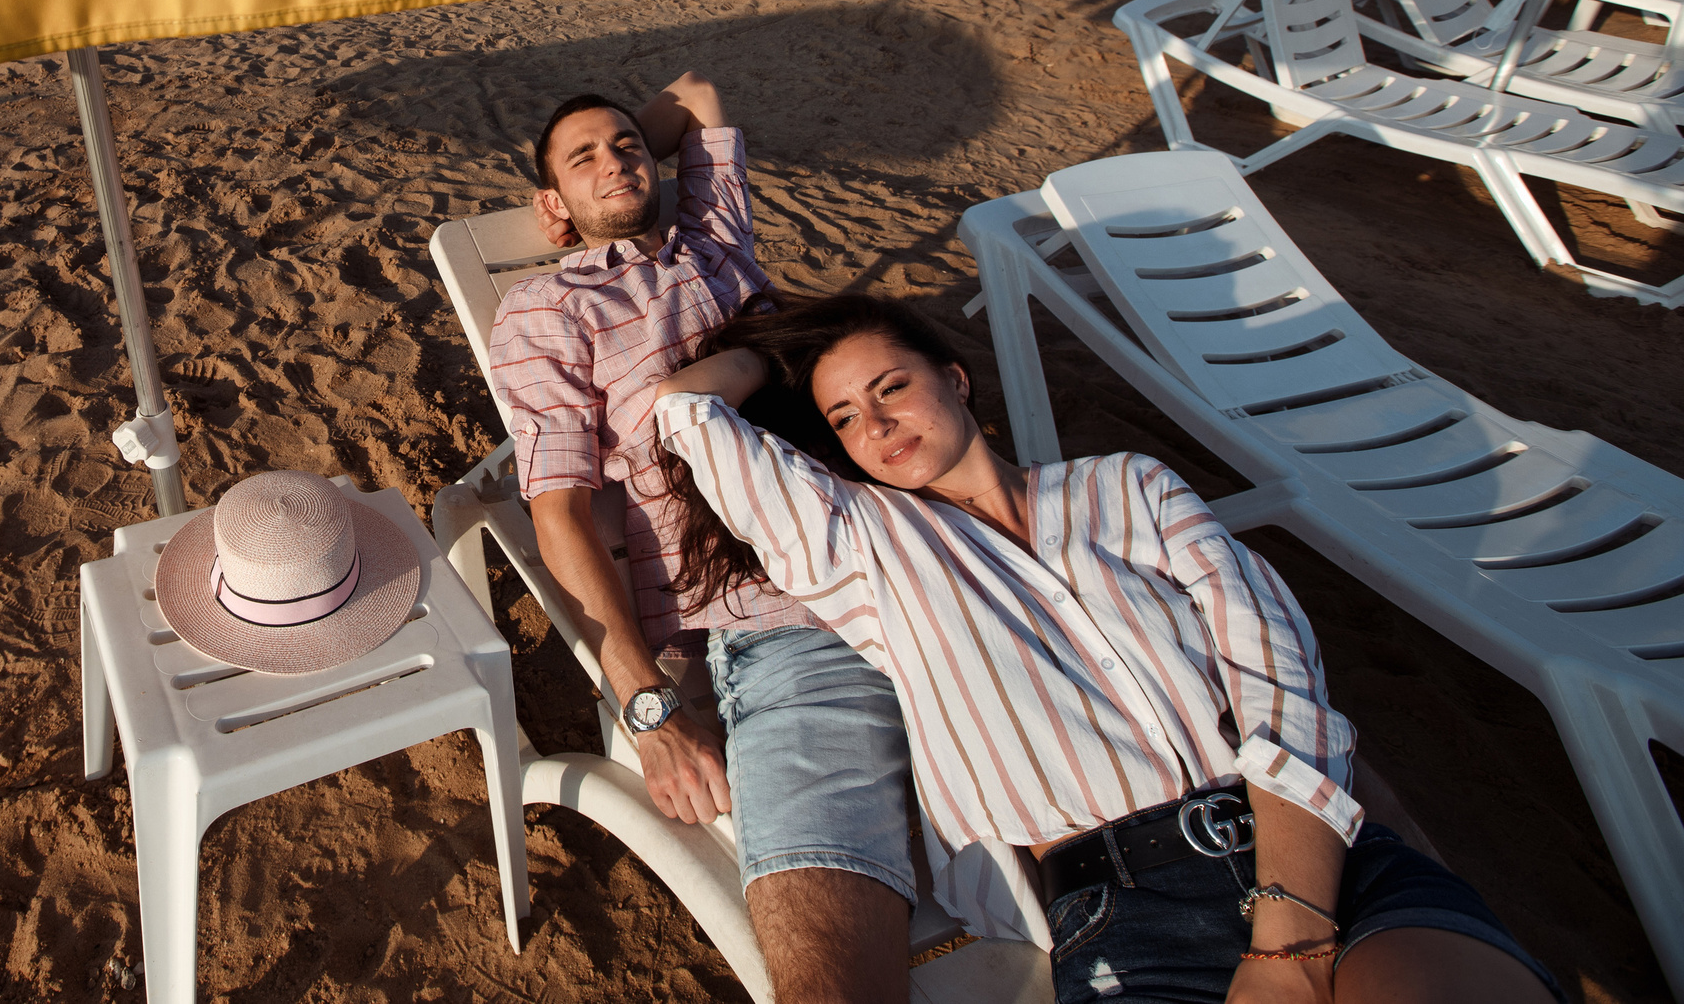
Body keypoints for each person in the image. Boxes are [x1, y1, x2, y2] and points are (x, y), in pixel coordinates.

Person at [651, 294, 1564, 1004]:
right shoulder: (862, 548)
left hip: (1314, 851)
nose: (876, 423)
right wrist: (775, 354)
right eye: (845, 416)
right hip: (1127, 902)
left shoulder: (1128, 487)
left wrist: (1289, 940)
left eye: (891, 386)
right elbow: (686, 409)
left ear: (956, 378)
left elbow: (1281, 680)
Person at [491, 75, 917, 1004]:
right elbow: (557, 513)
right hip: (781, 612)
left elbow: (696, 94)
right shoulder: (547, 311)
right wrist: (647, 704)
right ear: (551, 204)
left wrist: (603, 161)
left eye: (627, 146)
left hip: (904, 541)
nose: (619, 160)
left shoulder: (717, 239)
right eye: (584, 158)